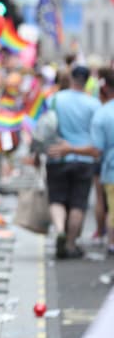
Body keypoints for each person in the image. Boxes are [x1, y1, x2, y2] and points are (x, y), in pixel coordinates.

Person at [49, 68, 114, 256]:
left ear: (70, 78)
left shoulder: (54, 99)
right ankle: (70, 244)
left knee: (57, 199)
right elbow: (97, 139)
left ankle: (60, 229)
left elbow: (44, 126)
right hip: (85, 159)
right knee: (78, 203)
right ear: (87, 81)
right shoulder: (94, 105)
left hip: (57, 155)